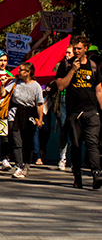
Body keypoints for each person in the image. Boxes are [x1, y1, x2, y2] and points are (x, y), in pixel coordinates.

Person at [56, 35, 102, 189]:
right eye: (74, 48)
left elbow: (99, 90)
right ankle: (77, 175)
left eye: (79, 49)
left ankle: (96, 173)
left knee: (92, 143)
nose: (76, 51)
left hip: (91, 111)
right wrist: (73, 71)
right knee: (76, 145)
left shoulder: (93, 66)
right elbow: (61, 85)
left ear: (85, 49)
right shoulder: (66, 66)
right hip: (74, 112)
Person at [0, 62, 44, 179]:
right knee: (16, 140)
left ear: (28, 72)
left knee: (27, 142)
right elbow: (2, 94)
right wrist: (2, 85)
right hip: (15, 114)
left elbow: (39, 104)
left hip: (29, 114)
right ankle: (18, 166)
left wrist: (40, 119)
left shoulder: (36, 86)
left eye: (22, 70)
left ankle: (26, 164)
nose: (18, 72)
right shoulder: (15, 82)